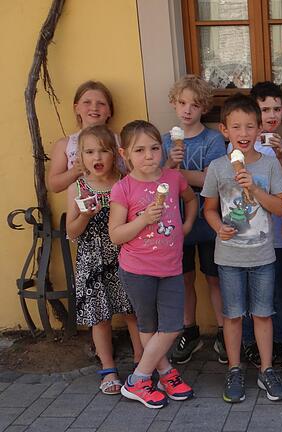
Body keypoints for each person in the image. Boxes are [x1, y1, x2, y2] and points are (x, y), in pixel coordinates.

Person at [200, 94, 282, 403]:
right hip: (229, 257)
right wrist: (217, 227)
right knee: (234, 315)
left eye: (250, 126)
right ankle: (235, 369)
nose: (244, 133)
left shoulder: (268, 166)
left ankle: (266, 369)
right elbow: (209, 209)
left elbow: (280, 208)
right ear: (225, 130)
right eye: (236, 127)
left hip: (263, 255)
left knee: (263, 314)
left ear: (259, 128)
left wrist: (254, 187)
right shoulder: (217, 167)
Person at [109, 120, 197, 409]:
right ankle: (166, 373)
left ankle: (138, 379)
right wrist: (144, 220)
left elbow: (190, 199)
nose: (149, 155)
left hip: (171, 267)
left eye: (155, 148)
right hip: (137, 269)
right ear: (125, 154)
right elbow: (116, 234)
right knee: (148, 325)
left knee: (172, 326)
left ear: (164, 149)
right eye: (140, 150)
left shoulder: (172, 178)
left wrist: (186, 225)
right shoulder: (123, 188)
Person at [65, 125, 142, 395]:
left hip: (124, 256)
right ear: (80, 157)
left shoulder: (125, 181)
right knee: (100, 317)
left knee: (133, 311)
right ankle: (108, 368)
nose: (97, 156)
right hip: (92, 259)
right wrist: (85, 214)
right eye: (89, 151)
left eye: (103, 150)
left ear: (115, 155)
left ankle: (141, 363)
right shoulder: (80, 187)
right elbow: (71, 232)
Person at [163, 75, 228, 365]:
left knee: (215, 277)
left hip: (208, 219)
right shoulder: (163, 141)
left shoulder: (213, 139)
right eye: (183, 103)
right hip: (173, 221)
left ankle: (225, 331)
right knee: (184, 278)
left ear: (204, 108)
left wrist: (178, 175)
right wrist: (169, 165)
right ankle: (190, 331)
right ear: (174, 104)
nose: (188, 109)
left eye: (195, 104)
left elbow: (211, 180)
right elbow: (156, 179)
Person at [240, 81, 282, 370]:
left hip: (277, 234)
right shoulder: (238, 147)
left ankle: (281, 339)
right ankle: (251, 342)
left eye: (276, 109)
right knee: (253, 290)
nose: (271, 115)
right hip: (248, 235)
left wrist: (281, 158)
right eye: (264, 109)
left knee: (278, 290)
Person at [48, 81, 116, 193]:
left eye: (101, 103)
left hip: (119, 206)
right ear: (77, 108)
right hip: (81, 208)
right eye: (87, 102)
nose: (94, 107)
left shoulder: (119, 141)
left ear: (110, 111)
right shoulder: (64, 144)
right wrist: (75, 171)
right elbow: (54, 186)